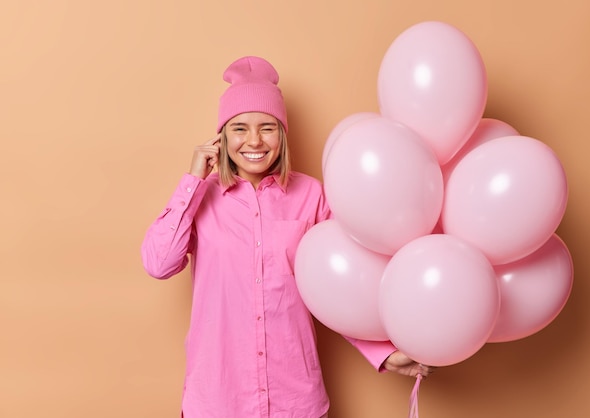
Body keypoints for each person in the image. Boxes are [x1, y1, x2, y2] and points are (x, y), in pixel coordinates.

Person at [141, 56, 432, 418]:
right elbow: (158, 263)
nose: (254, 141)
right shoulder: (201, 198)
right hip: (216, 403)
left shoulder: (313, 197)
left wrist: (383, 352)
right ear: (221, 136)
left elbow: (341, 290)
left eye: (267, 127)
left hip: (296, 403)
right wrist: (192, 182)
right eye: (239, 128)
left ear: (282, 133)